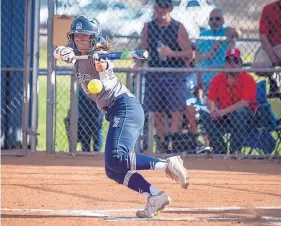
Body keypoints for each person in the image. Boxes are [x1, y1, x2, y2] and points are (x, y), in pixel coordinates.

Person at [54, 15, 188, 218]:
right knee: (113, 169)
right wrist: (63, 51)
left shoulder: (101, 56)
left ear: (94, 38)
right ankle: (155, 196)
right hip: (114, 111)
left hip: (125, 107)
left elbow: (103, 67)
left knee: (118, 157)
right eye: (77, 36)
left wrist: (100, 62)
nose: (81, 40)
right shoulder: (76, 56)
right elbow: (58, 51)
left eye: (85, 36)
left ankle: (167, 164)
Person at [139, 0, 193, 153]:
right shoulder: (148, 27)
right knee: (157, 112)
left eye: (164, 6)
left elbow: (189, 53)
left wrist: (171, 53)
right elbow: (143, 50)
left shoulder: (178, 27)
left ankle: (173, 143)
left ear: (170, 8)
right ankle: (162, 142)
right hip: (155, 74)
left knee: (176, 109)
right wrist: (138, 63)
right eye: (158, 6)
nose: (161, 10)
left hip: (174, 73)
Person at [200, 48, 257, 155]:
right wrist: (213, 110)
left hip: (245, 119)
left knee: (241, 112)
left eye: (235, 60)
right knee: (204, 114)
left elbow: (245, 103)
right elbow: (210, 99)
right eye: (228, 61)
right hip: (224, 117)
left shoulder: (248, 79)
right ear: (225, 64)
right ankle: (220, 150)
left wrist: (223, 112)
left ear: (241, 64)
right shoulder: (217, 78)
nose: (232, 64)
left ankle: (234, 151)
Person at [196, 8, 239, 92]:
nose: (214, 21)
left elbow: (236, 34)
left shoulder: (226, 31)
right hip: (207, 76)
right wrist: (208, 54)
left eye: (217, 19)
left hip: (223, 75)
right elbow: (198, 57)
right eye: (211, 19)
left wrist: (228, 35)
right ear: (208, 22)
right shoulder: (203, 34)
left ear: (223, 21)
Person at [252, 0, 281, 95]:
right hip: (271, 46)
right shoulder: (269, 9)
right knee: (258, 67)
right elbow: (263, 36)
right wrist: (273, 56)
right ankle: (273, 77)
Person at [77, 87, 103, 152]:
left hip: (97, 98)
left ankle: (97, 151)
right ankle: (85, 151)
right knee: (84, 127)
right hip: (83, 98)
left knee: (96, 127)